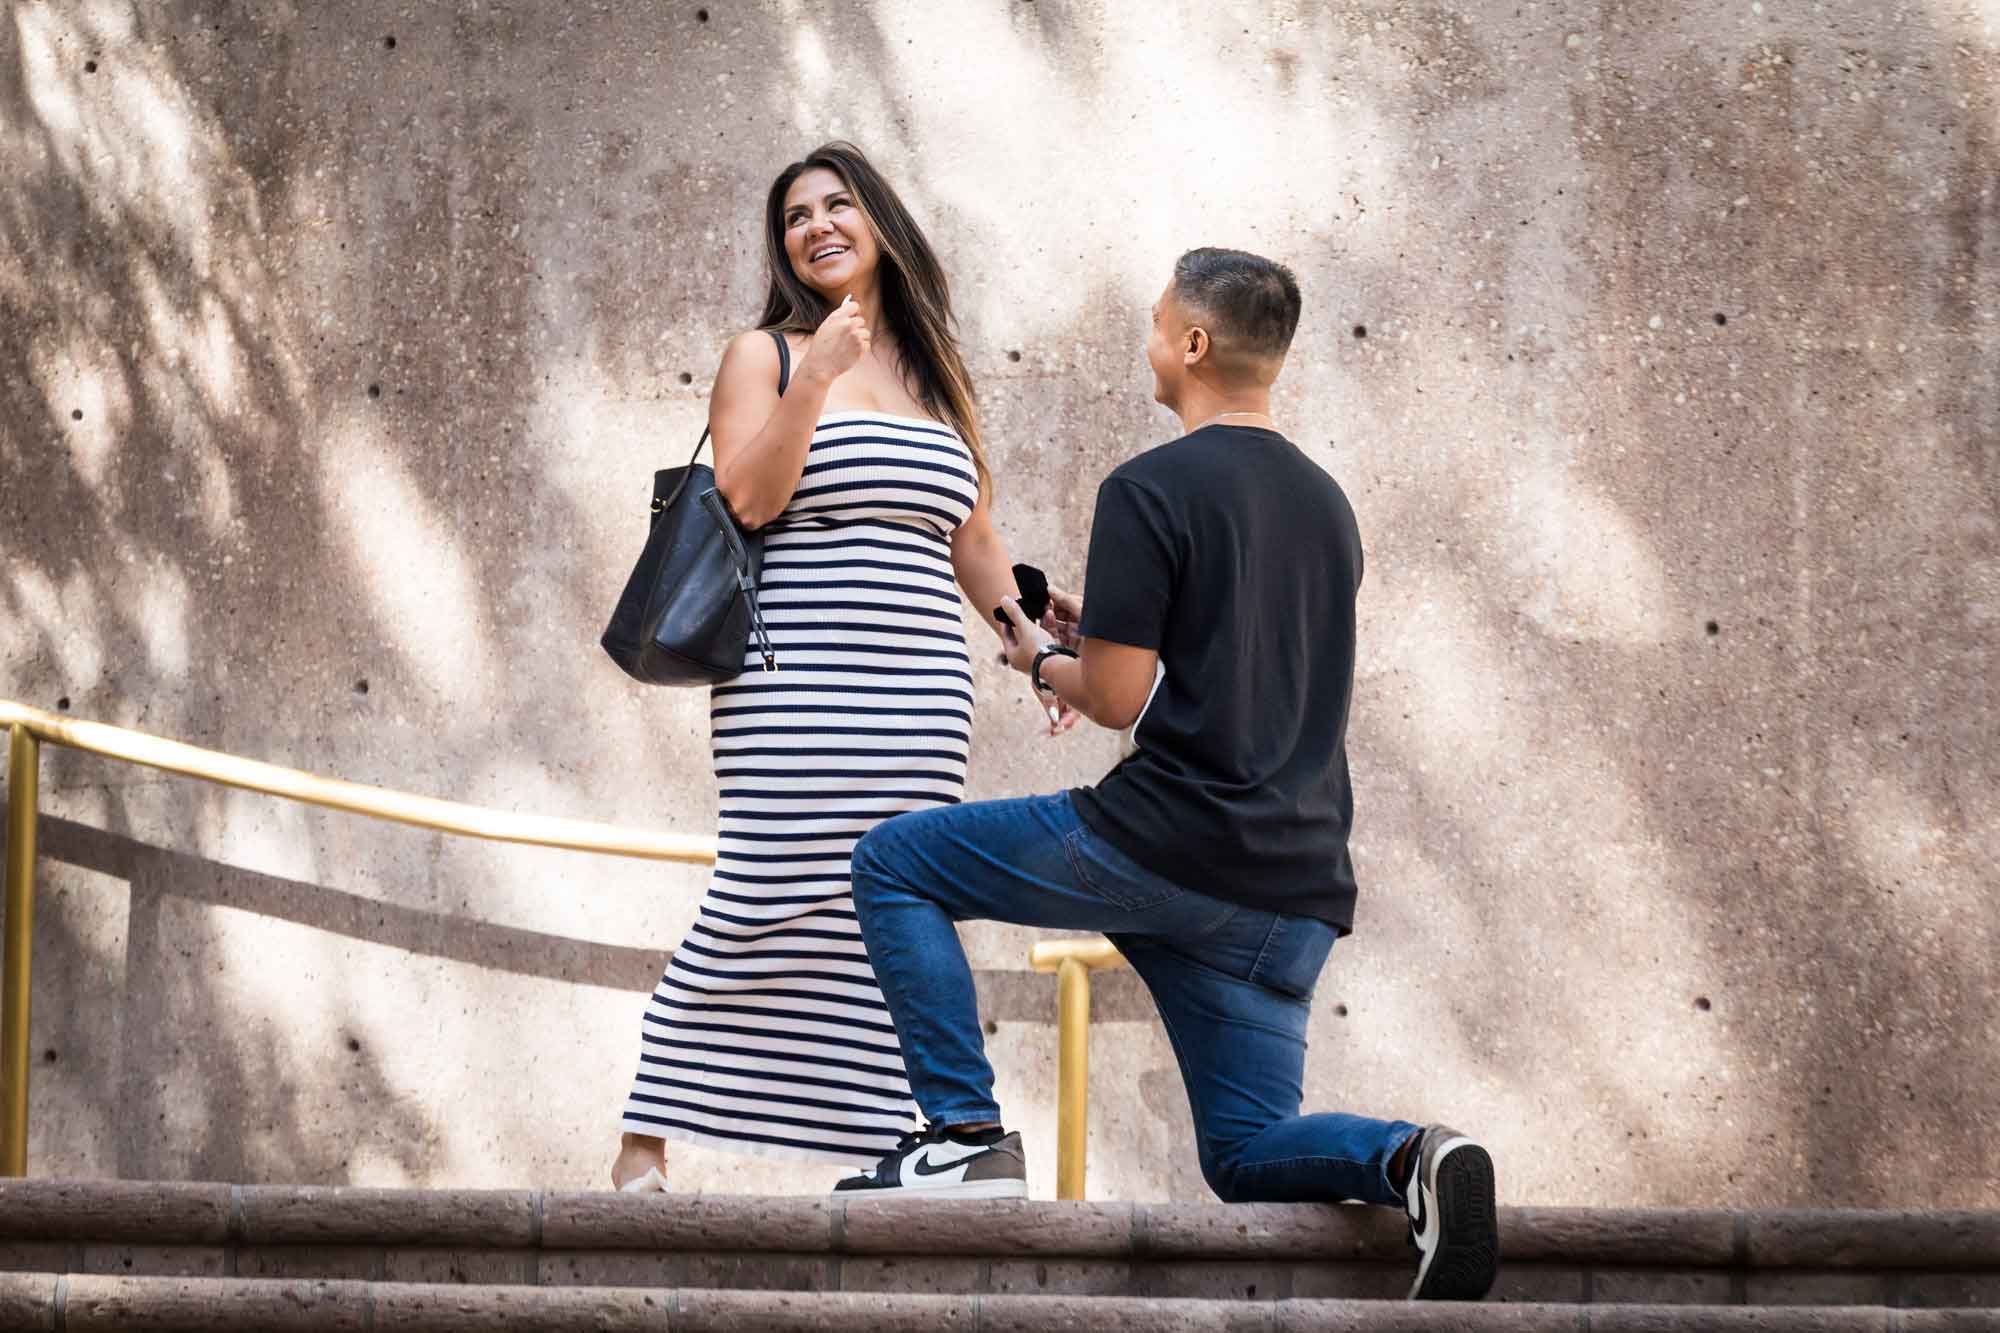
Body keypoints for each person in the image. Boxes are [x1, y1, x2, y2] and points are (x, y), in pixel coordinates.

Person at [839, 248, 1499, 1301]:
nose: (1147, 343)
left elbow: (1110, 697)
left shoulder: (1149, 486)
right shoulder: (1326, 505)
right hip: (1289, 889)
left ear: (1191, 344)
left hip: (1161, 844)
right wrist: (1098, 633)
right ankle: (1412, 1158)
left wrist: (1037, 656)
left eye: (1155, 325)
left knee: (894, 863)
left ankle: (960, 1136)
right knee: (1242, 1152)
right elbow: (1222, 665)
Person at [611, 142, 1055, 1194]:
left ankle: (887, 1144)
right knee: (764, 886)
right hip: (793, 680)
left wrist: (1031, 647)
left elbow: (971, 536)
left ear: (878, 221)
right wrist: (811, 376)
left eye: (835, 205)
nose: (813, 226)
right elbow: (749, 498)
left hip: (916, 694)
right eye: (793, 217)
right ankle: (643, 1139)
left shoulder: (934, 377)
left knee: (883, 911)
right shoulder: (761, 356)